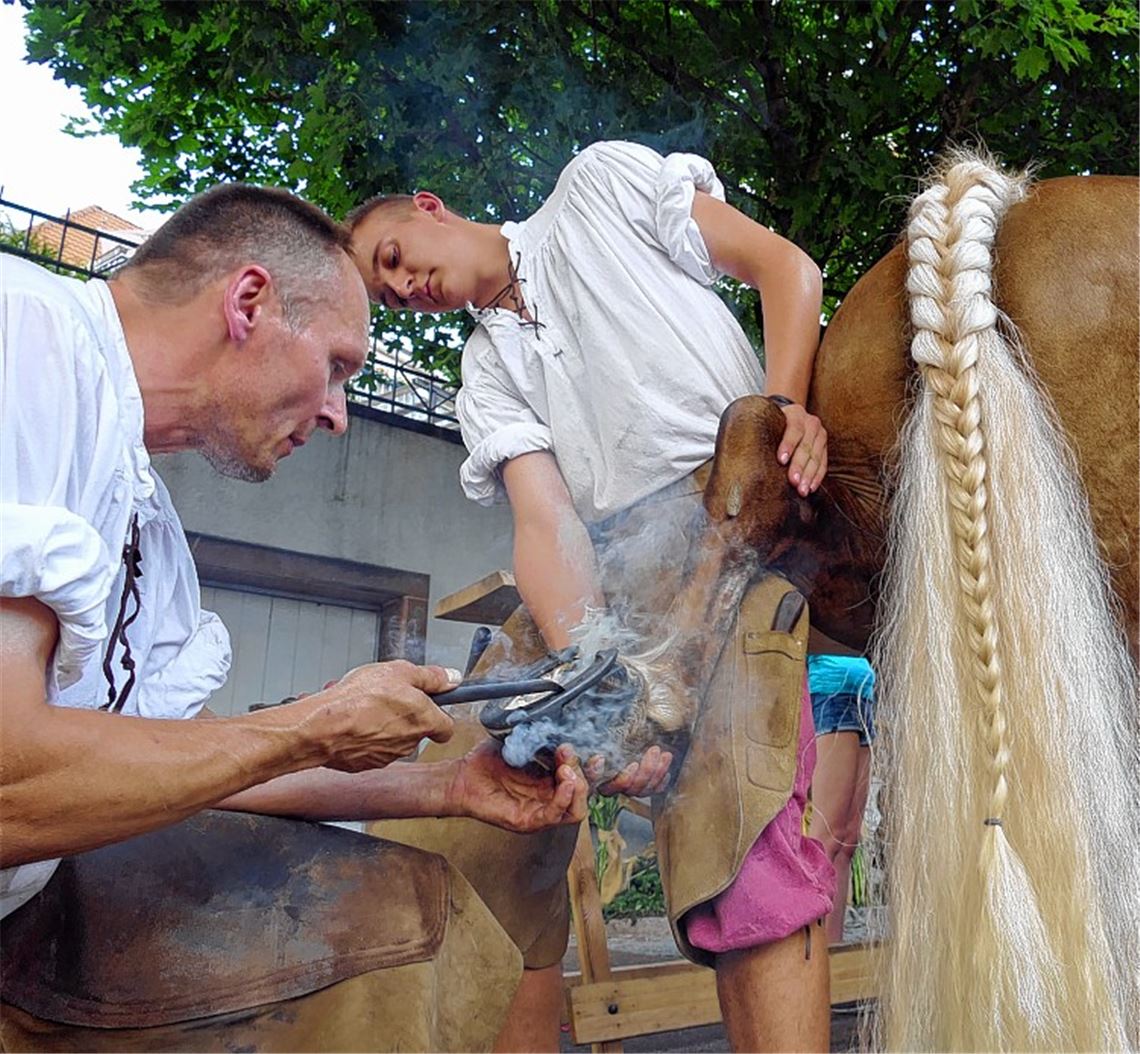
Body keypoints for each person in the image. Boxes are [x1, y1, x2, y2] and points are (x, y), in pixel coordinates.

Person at [0, 184, 587, 1052]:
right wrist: (311, 726)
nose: (338, 415)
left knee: (400, 914)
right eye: (340, 366)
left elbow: (189, 764)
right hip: (30, 911)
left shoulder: (150, 530)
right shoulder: (29, 340)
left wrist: (444, 787)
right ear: (249, 303)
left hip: (29, 910)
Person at [348, 140, 836, 1052]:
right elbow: (547, 524)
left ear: (428, 205)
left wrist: (779, 415)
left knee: (740, 825)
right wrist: (600, 687)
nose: (404, 285)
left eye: (391, 257)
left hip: (733, 507)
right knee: (465, 828)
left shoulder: (597, 185)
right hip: (609, 575)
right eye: (387, 294)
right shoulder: (484, 376)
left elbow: (785, 267)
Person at [806, 651, 876, 944]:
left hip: (863, 692)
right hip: (830, 688)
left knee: (848, 840)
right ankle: (810, 947)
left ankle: (832, 947)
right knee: (826, 837)